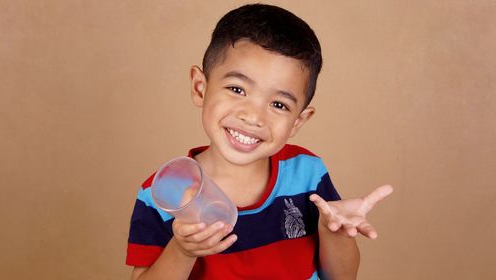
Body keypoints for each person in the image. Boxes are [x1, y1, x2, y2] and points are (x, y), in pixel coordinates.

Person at [126, 3, 393, 280]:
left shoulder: (307, 174)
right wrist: (182, 252)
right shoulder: (165, 190)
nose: (253, 117)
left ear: (298, 122)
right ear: (199, 88)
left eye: (278, 104)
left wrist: (334, 234)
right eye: (237, 89)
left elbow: (342, 277)